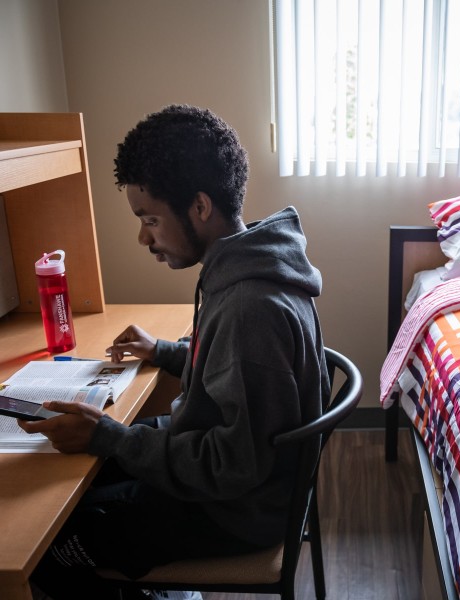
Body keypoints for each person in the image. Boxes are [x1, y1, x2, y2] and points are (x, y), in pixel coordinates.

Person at [20, 104, 330, 599]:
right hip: (234, 479)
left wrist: (112, 439)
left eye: (150, 219)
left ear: (200, 207)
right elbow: (233, 372)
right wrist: (165, 351)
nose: (143, 236)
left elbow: (233, 466)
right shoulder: (250, 264)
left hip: (234, 509)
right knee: (81, 476)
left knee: (47, 546)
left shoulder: (249, 308)